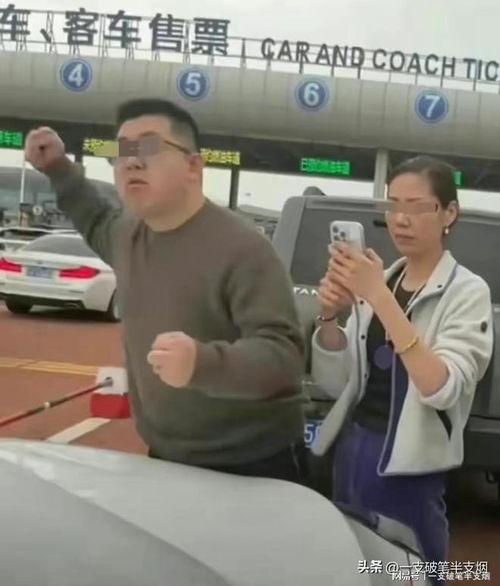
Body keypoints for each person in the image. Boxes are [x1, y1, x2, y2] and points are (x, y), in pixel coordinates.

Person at [25, 99, 308, 483]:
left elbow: (284, 358)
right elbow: (93, 216)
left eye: (149, 148)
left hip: (253, 463)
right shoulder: (127, 235)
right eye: (123, 151)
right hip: (165, 455)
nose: (132, 162)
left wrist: (202, 363)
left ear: (194, 167)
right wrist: (57, 166)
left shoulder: (243, 249)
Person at [311, 155, 493, 569]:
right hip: (353, 449)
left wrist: (378, 297)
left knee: (411, 571)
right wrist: (330, 317)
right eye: (393, 205)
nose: (401, 219)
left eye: (417, 206)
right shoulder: (384, 280)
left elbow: (442, 388)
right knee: (355, 567)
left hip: (411, 468)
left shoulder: (466, 292)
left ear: (449, 213)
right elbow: (337, 383)